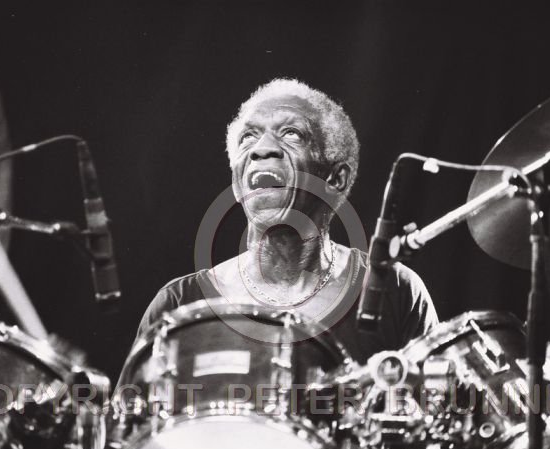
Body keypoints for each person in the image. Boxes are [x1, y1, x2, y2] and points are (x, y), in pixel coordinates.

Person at [135, 78, 438, 363]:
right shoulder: (179, 303)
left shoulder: (396, 291)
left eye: (291, 133)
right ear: (237, 182)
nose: (261, 148)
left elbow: (436, 399)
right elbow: (132, 403)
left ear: (335, 180)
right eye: (248, 136)